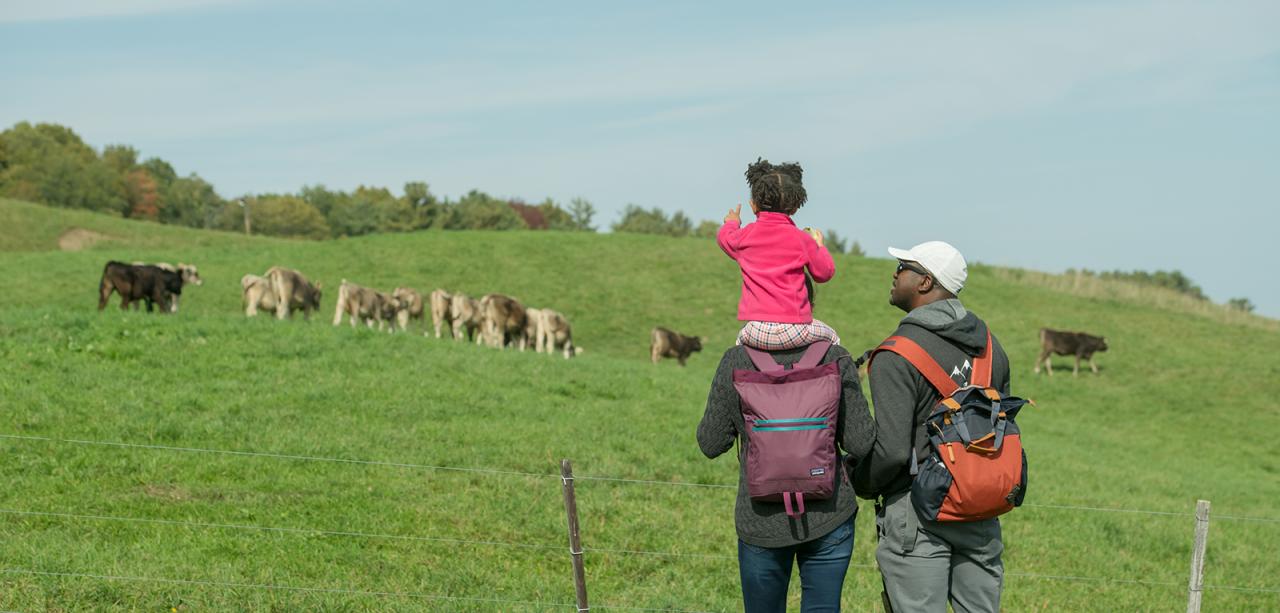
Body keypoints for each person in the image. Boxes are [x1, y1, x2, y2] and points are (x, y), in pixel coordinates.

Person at [852, 241, 1013, 613]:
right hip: (980, 505)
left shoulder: (895, 355)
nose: (894, 274)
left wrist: (861, 481)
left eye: (902, 267)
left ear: (925, 283)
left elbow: (892, 451)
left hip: (916, 511)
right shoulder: (992, 348)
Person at [698, 340, 875, 612]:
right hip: (830, 516)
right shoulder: (834, 356)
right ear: (809, 304)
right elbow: (861, 442)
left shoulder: (736, 359)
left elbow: (711, 443)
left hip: (760, 521)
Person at [717, 158, 839, 350]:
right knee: (833, 339)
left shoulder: (746, 235)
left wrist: (732, 222)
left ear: (754, 205)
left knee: (738, 348)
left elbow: (725, 238)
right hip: (796, 328)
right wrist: (820, 246)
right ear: (795, 206)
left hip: (756, 330)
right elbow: (824, 273)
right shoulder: (801, 239)